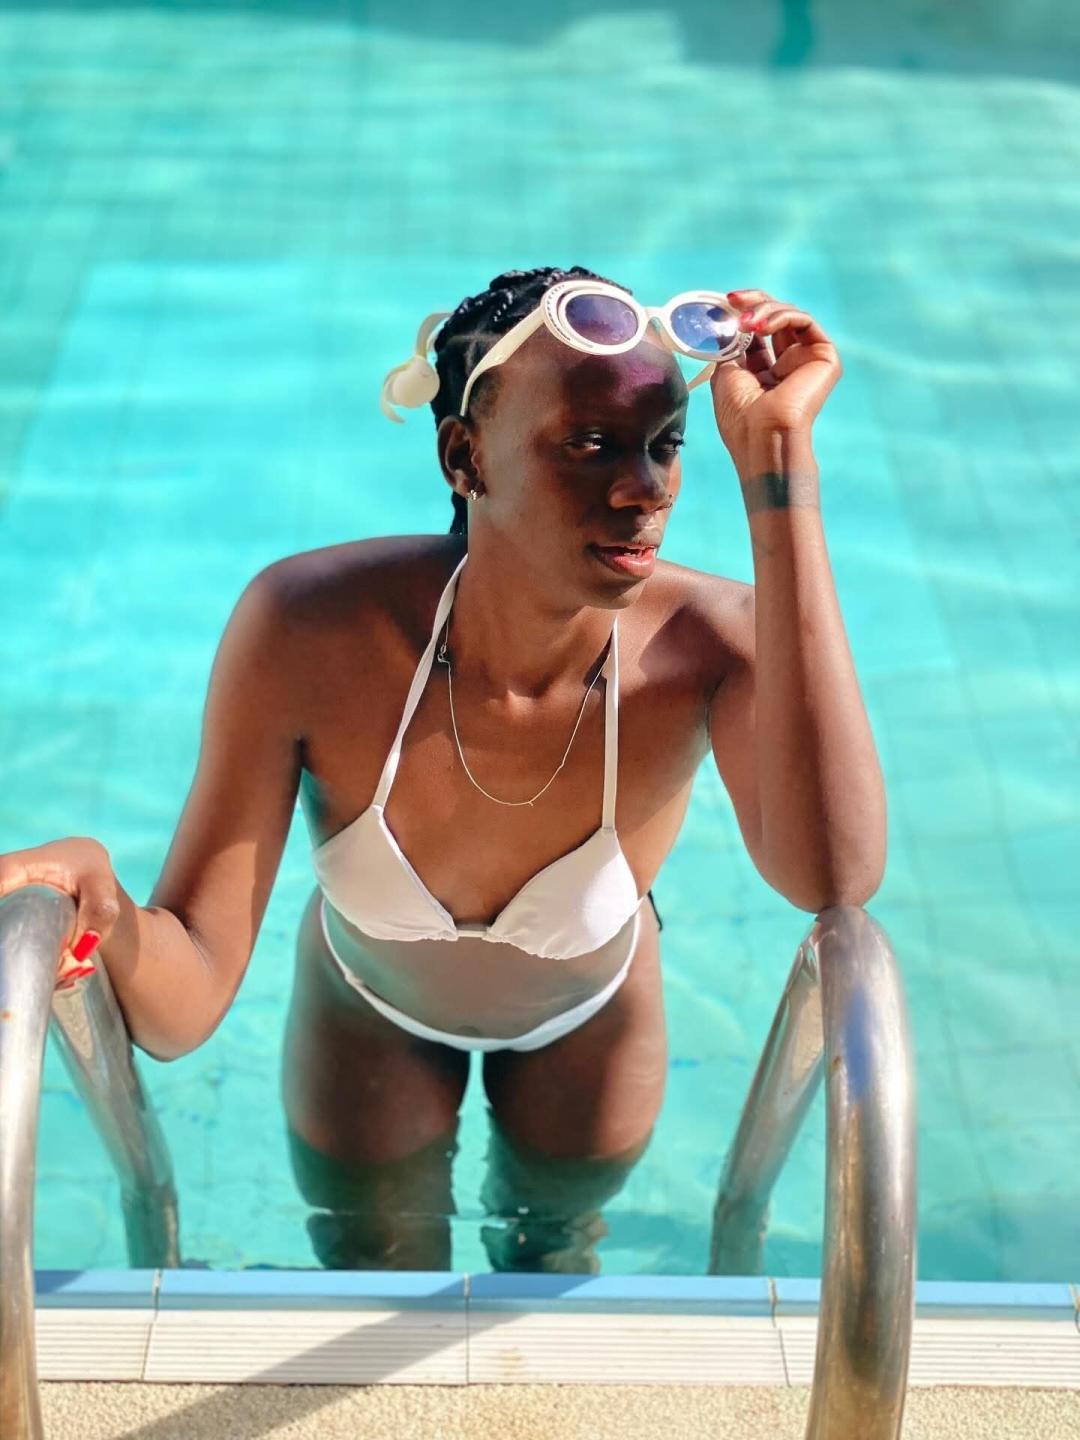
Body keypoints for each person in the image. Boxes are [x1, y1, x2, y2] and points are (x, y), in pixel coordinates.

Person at [0, 265, 886, 1272]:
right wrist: (105, 904)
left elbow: (834, 877)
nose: (643, 488)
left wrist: (778, 462)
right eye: (590, 443)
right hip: (365, 1011)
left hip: (589, 1023)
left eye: (665, 445)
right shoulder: (311, 629)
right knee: (372, 1279)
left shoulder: (707, 646)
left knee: (552, 1266)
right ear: (465, 456)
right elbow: (184, 1007)